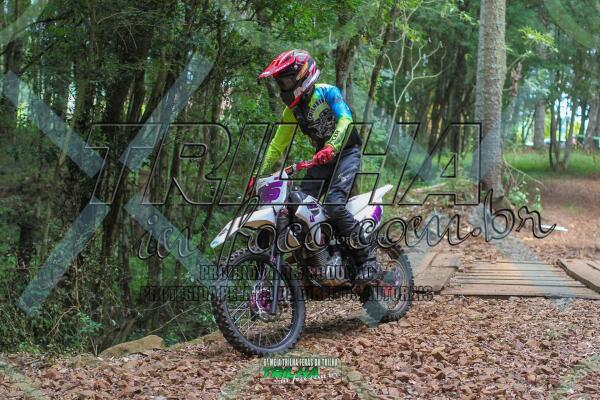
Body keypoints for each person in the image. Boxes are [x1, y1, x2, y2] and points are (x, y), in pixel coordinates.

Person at [253, 49, 379, 285]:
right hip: (321, 160)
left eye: (286, 81)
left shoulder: (328, 92)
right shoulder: (292, 111)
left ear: (303, 75)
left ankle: (368, 261)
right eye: (281, 82)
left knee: (334, 204)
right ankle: (316, 262)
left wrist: (332, 146)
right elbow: (277, 145)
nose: (283, 87)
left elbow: (345, 119)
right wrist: (258, 176)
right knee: (297, 206)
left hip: (346, 153)